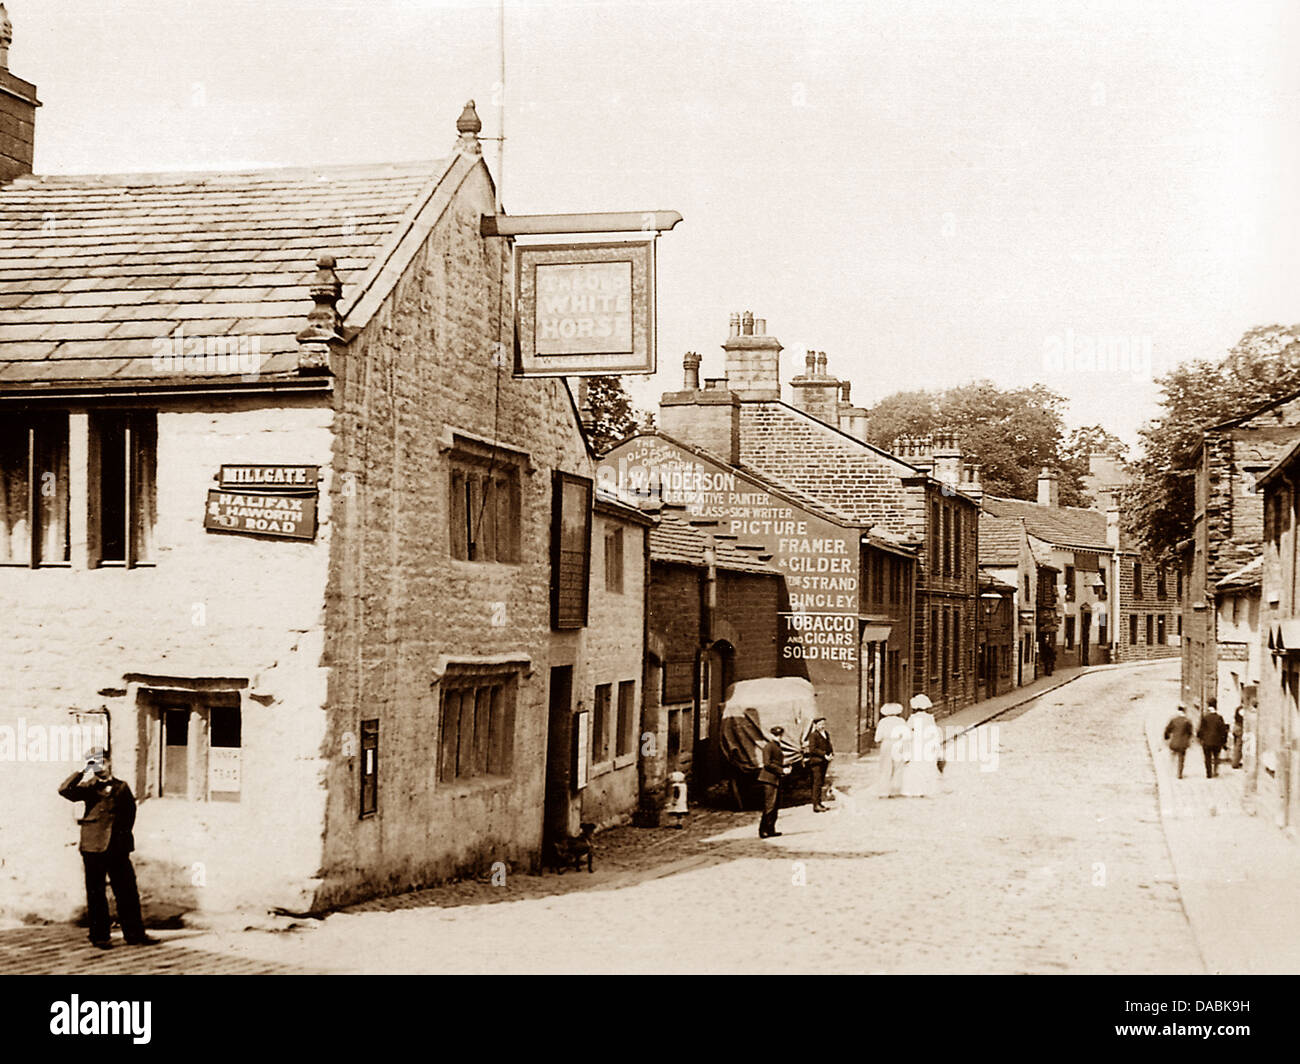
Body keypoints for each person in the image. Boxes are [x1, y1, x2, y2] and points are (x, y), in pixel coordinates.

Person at [58, 748, 158, 949]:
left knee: (127, 891)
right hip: (92, 847)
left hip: (117, 847)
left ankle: (135, 934)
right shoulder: (88, 787)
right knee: (95, 893)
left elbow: (130, 814)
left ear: (110, 762)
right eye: (94, 763)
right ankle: (100, 936)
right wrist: (83, 771)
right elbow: (64, 790)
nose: (100, 767)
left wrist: (122, 838)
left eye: (102, 762)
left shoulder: (122, 787)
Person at [902, 694, 942, 797]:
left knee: (916, 766)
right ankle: (925, 789)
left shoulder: (913, 718)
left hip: (916, 743)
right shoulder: (929, 718)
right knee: (926, 766)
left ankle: (916, 790)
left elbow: (907, 731)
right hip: (927, 743)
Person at [757, 726, 790, 838]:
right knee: (769, 806)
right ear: (771, 735)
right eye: (776, 735)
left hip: (775, 779)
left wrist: (784, 768)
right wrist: (781, 770)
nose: (778, 737)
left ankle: (771, 829)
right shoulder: (769, 747)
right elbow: (767, 764)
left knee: (775, 806)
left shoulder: (777, 746)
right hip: (769, 779)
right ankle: (763, 830)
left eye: (780, 735)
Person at [872, 704, 909, 798]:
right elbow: (907, 736)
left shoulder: (882, 722)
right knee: (898, 767)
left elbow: (877, 738)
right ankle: (895, 790)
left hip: (886, 744)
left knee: (885, 767)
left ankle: (883, 791)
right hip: (898, 744)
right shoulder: (901, 721)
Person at [803, 717, 834, 812]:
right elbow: (813, 749)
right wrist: (824, 755)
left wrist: (831, 753)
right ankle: (816, 805)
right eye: (820, 724)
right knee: (816, 783)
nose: (822, 726)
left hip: (824, 762)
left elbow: (829, 745)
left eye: (823, 724)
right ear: (815, 725)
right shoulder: (813, 735)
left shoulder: (826, 734)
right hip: (816, 762)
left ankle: (819, 802)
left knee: (820, 782)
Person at [1197, 700, 1228, 779]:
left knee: (1207, 758)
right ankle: (1215, 771)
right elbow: (1223, 731)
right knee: (1216, 757)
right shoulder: (1219, 718)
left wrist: (1200, 738)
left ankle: (1209, 774)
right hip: (1217, 742)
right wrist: (1224, 741)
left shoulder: (1205, 717)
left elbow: (1200, 730)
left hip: (1206, 742)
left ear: (1208, 707)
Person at [1163, 705, 1193, 778]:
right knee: (1181, 758)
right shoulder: (1187, 721)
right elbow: (1190, 732)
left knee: (1172, 756)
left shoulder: (1173, 720)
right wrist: (1188, 739)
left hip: (1174, 743)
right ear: (1184, 711)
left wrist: (1166, 737)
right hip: (1183, 743)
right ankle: (1179, 773)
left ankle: (1170, 772)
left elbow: (1167, 730)